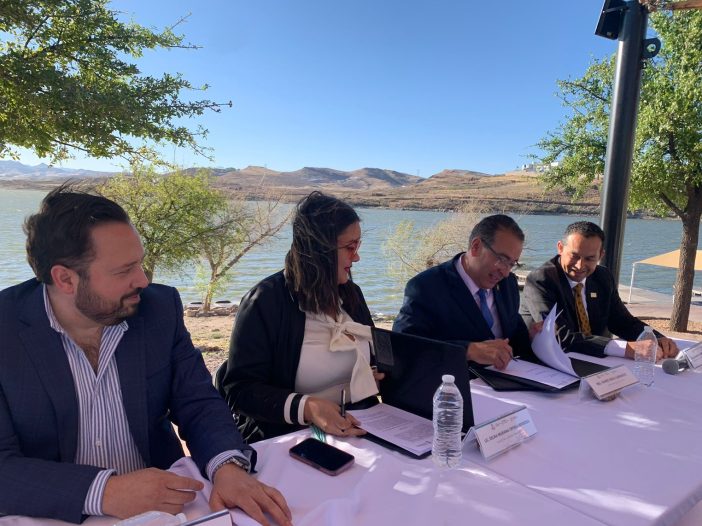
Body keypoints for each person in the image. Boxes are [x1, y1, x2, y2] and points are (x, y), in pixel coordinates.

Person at [0, 186, 291, 526]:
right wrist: (105, 492)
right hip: (53, 513)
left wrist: (227, 466)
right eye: (124, 271)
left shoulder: (158, 309)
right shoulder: (6, 330)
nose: (143, 280)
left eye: (139, 262)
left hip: (167, 510)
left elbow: (197, 402)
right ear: (65, 278)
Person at [219, 191, 381, 442]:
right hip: (289, 436)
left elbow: (375, 357)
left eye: (358, 246)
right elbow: (239, 391)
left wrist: (374, 376)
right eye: (350, 247)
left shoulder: (352, 295)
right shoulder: (265, 301)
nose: (357, 257)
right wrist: (307, 407)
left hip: (360, 424)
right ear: (319, 249)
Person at [393, 214, 537, 370]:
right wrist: (468, 351)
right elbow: (402, 346)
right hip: (454, 382)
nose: (506, 272)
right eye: (502, 259)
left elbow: (514, 337)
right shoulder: (425, 287)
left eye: (512, 264)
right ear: (476, 247)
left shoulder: (508, 284)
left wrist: (534, 338)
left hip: (509, 380)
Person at [520, 221, 678, 359]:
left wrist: (655, 338)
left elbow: (622, 321)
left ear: (600, 255)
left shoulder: (603, 277)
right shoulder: (541, 280)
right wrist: (626, 349)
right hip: (545, 364)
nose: (580, 265)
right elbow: (559, 336)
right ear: (560, 248)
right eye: (574, 256)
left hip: (595, 360)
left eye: (589, 258)